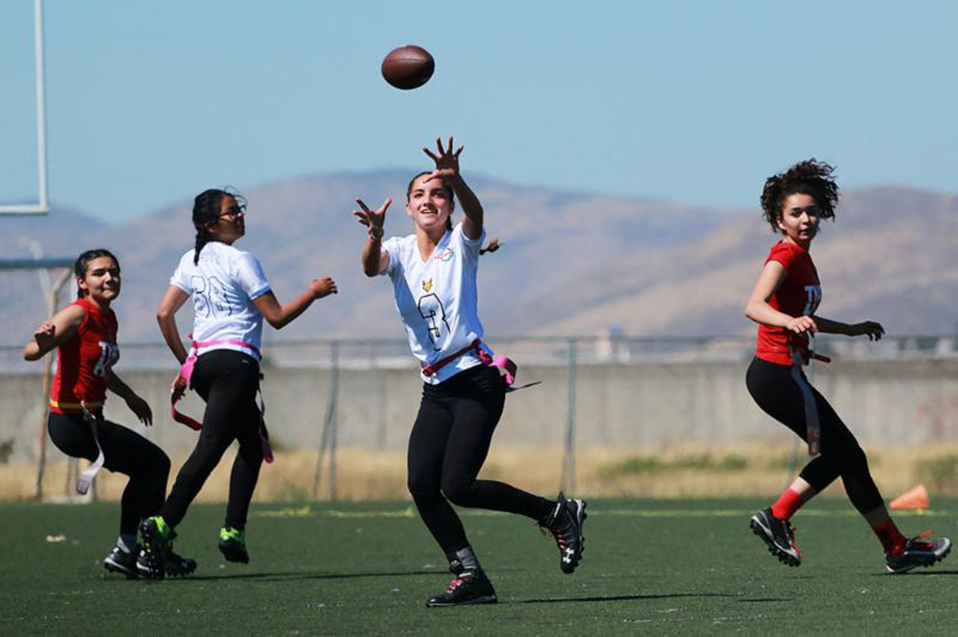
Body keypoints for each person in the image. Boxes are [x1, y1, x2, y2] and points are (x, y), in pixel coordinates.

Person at [353, 137, 587, 607]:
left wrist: (455, 178)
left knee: (457, 484)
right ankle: (471, 576)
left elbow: (476, 215)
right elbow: (369, 267)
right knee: (422, 484)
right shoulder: (398, 249)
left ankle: (555, 514)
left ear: (449, 205)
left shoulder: (461, 243)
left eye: (438, 194)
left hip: (475, 379)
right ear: (407, 207)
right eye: (420, 194)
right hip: (436, 386)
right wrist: (374, 234)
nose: (429, 200)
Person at [744, 159, 951, 574]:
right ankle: (777, 516)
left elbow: (803, 314)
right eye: (796, 213)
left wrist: (850, 329)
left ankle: (896, 548)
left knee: (848, 456)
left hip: (786, 375)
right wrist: (788, 322)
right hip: (774, 376)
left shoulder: (803, 257)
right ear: (779, 220)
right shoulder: (784, 254)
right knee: (845, 454)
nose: (806, 219)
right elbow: (754, 306)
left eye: (811, 211)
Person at [139, 189, 337, 578]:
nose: (241, 216)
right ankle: (162, 522)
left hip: (206, 366)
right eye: (232, 212)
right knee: (211, 447)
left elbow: (164, 314)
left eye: (240, 209)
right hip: (235, 366)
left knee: (251, 441)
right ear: (210, 225)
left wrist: (187, 363)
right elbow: (276, 317)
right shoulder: (242, 260)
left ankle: (233, 531)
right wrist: (313, 293)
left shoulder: (190, 260)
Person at [23, 249, 196, 579]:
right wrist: (41, 343)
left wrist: (129, 395)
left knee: (146, 469)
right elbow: (30, 352)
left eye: (114, 271)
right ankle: (148, 552)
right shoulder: (77, 313)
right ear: (82, 282)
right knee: (156, 463)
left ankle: (129, 551)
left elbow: (100, 369)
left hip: (89, 420)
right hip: (70, 422)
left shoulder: (108, 317)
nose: (109, 278)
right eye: (99, 272)